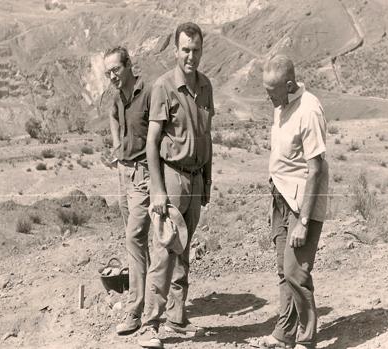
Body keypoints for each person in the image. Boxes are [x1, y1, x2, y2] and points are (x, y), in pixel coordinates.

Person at [137, 22, 214, 349]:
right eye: (185, 50)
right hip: (171, 177)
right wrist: (157, 189)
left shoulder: (206, 86)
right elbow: (152, 142)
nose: (191, 56)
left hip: (196, 179)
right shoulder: (163, 87)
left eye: (196, 50)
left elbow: (206, 136)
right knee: (166, 250)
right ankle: (149, 325)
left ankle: (176, 317)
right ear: (176, 50)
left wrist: (208, 179)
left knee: (185, 251)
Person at [257, 55, 329, 349]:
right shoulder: (281, 104)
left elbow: (315, 170)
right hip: (281, 198)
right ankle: (284, 334)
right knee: (282, 270)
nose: (267, 95)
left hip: (303, 204)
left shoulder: (309, 110)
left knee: (296, 273)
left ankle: (306, 338)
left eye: (271, 90)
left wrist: (303, 222)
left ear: (289, 85)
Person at [103, 46, 152, 335]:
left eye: (116, 70)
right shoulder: (117, 97)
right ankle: (147, 299)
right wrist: (116, 146)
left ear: (129, 65)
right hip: (124, 173)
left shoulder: (148, 93)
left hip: (145, 175)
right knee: (134, 241)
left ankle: (135, 311)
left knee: (135, 239)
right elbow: (112, 115)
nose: (112, 76)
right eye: (108, 72)